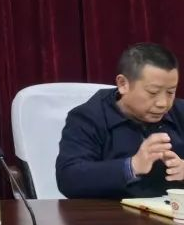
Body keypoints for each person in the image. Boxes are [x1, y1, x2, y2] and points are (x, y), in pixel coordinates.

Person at [57, 43, 184, 199]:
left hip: (171, 211)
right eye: (153, 92)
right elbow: (69, 178)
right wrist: (132, 166)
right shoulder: (88, 117)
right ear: (123, 84)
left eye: (170, 92)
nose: (163, 103)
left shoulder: (180, 112)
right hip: (109, 212)